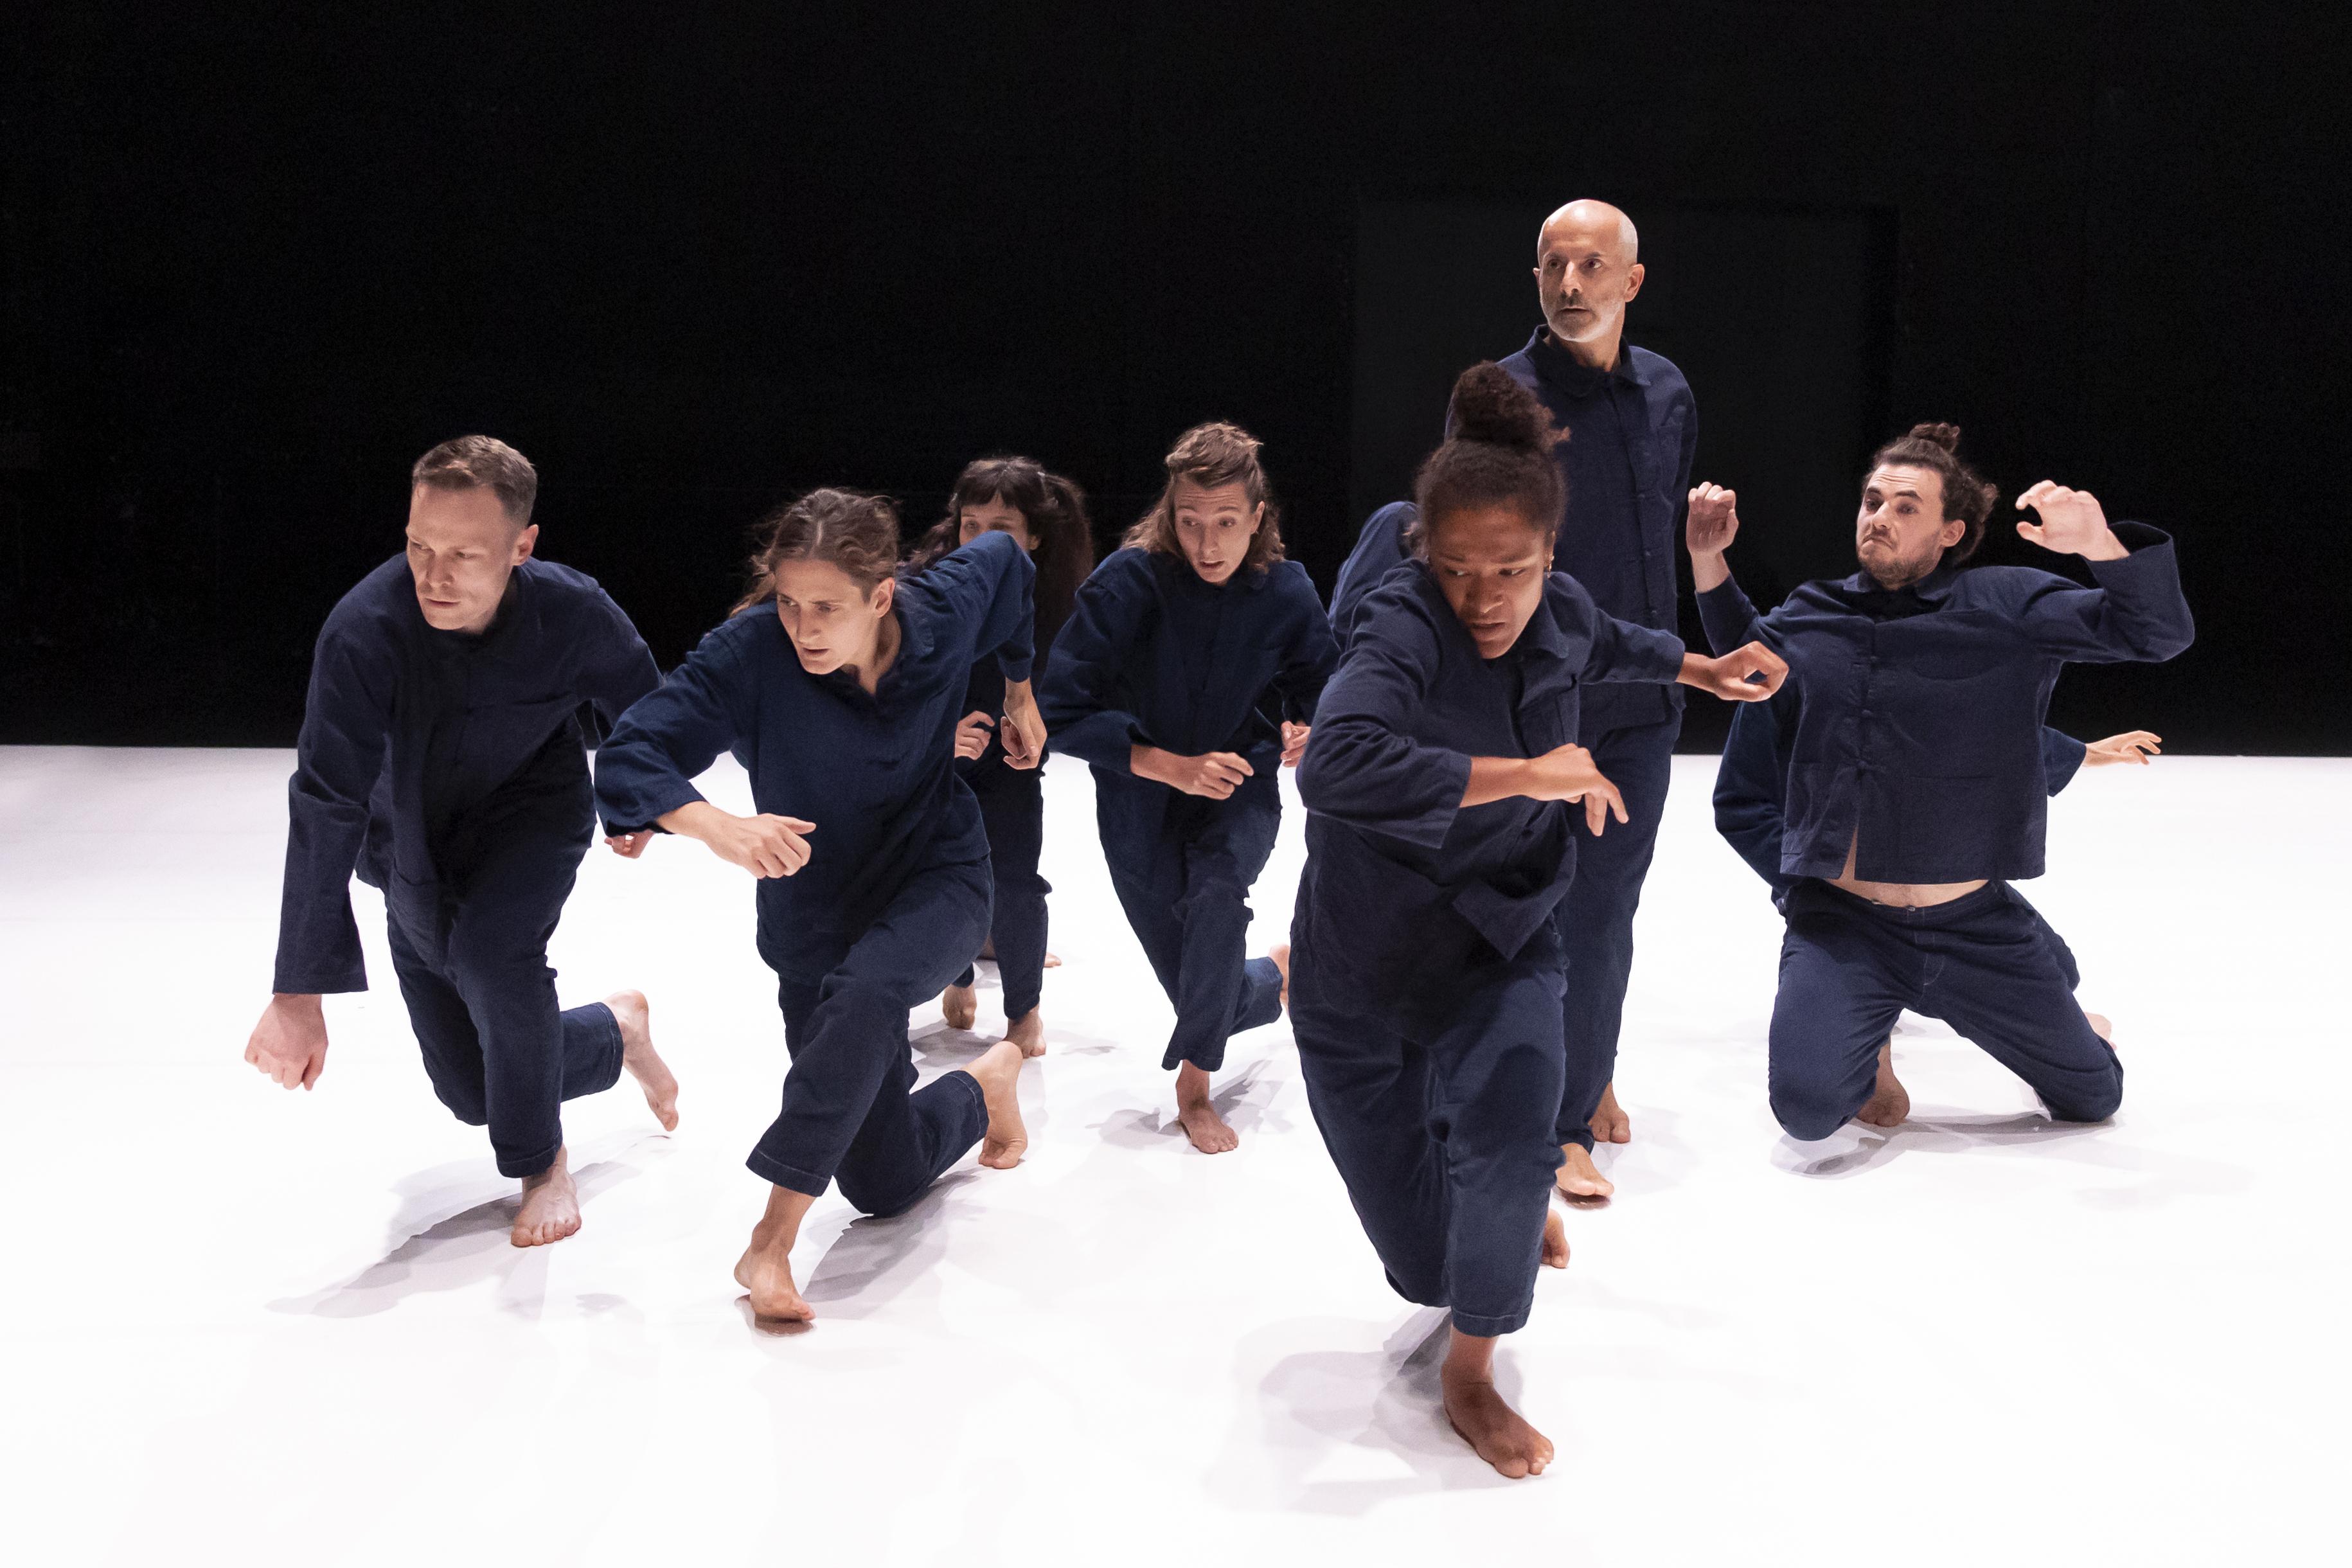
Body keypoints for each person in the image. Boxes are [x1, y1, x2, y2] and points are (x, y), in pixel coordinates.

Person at [1291, 364, 1785, 1478]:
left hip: (1502, 937)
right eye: (1460, 569)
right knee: (1422, 1267)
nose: (1486, 597)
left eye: (1511, 569)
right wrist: (1528, 774)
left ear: (1550, 556)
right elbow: (1337, 763)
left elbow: (1606, 638)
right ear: (1424, 554)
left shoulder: (1559, 605)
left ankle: (1472, 1366)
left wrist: (1704, 667)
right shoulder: (1399, 629)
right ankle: (1481, 1236)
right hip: (1363, 965)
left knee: (1515, 1139)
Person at [593, 488, 1039, 1322]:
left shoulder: (942, 607)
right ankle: (987, 1087)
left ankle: (769, 1242)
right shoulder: (753, 651)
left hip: (937, 875)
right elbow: (632, 749)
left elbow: (1011, 565)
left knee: (868, 994)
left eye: (825, 608)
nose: (804, 627)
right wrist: (709, 823)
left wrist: (1019, 688)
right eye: (791, 603)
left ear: (881, 596)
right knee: (880, 1178)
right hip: (814, 908)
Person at [1684, 425, 2194, 1140]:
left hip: (1970, 924)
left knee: (2093, 1099)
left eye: (1905, 507)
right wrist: (1708, 558)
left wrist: (2098, 545)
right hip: (1846, 923)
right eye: (1871, 501)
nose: (1880, 517)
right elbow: (1747, 657)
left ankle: (2054, 1015)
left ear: (1952, 530)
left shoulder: (2008, 604)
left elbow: (2156, 634)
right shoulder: (1816, 609)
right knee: (1805, 1112)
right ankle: (1871, 1031)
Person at [1336, 199, 1695, 1196]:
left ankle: (1579, 1096)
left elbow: (1649, 544)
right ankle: (1524, 1108)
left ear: (1630, 280)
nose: (1570, 283)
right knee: (1515, 904)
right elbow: (1471, 556)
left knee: (1608, 906)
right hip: (1537, 702)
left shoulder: (1669, 392)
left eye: (1591, 266)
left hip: (1637, 703)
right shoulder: (1500, 399)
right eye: (1553, 264)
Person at [242, 435, 678, 1249]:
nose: (434, 575)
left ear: (523, 545)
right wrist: (297, 992)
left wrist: (638, 799)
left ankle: (543, 1163)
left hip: (532, 814)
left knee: (494, 958)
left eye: (463, 554)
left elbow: (650, 712)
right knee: (474, 1090)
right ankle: (613, 1034)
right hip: (407, 840)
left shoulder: (572, 608)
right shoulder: (364, 630)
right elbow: (327, 799)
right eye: (419, 546)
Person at [1038, 423, 1337, 1154]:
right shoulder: (1127, 581)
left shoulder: (1285, 589)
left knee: (1215, 900)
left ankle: (1194, 1090)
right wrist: (1167, 763)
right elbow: (1060, 707)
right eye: (1190, 522)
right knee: (1202, 987)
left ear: (1258, 517)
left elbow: (1326, 685)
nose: (1208, 544)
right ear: (1170, 513)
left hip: (1238, 786)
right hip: (1138, 800)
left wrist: (1310, 725)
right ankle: (1276, 975)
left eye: (1227, 523)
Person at [1715, 682, 2160, 1118]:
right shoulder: (1792, 650)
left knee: (2075, 1013)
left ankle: (1885, 1008)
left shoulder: (1942, 645)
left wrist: (2081, 753)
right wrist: (1812, 884)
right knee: (1808, 1109)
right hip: (1846, 913)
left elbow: (1976, 730)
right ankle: (1870, 1033)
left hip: (1962, 911)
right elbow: (1743, 803)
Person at [905, 458, 1095, 1058]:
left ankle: (1025, 1009)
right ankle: (958, 974)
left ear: (1034, 536)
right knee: (943, 876)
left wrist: (1034, 729)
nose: (983, 543)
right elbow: (891, 687)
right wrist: (940, 732)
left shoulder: (1058, 593)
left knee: (1016, 881)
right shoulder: (926, 588)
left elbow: (1064, 690)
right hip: (938, 758)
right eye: (971, 525)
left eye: (1003, 529)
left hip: (1011, 760)